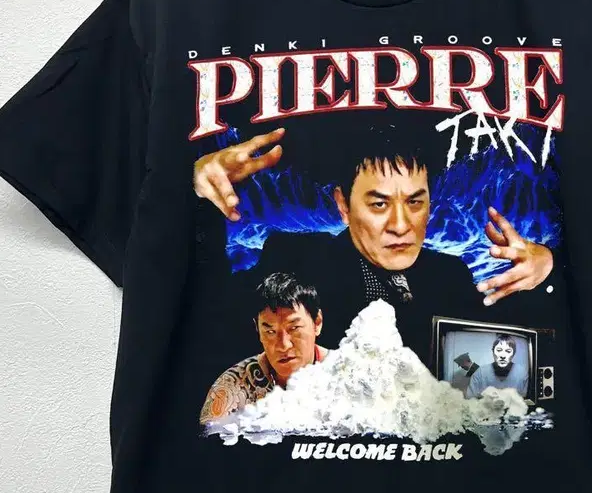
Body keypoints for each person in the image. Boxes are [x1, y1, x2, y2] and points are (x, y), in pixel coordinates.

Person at [193, 126, 554, 365]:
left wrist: (548, 266)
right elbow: (211, 314)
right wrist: (196, 193)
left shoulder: (449, 275)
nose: (401, 225)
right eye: (379, 204)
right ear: (343, 206)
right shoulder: (291, 260)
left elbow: (508, 355)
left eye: (415, 202)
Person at [200, 271, 328, 424]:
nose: (283, 346)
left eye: (294, 328)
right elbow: (206, 438)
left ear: (317, 322)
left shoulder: (347, 377)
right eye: (270, 332)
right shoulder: (232, 388)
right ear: (258, 329)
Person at [465, 334, 529, 399]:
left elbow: (526, 400)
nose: (503, 356)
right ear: (493, 352)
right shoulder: (480, 372)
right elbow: (469, 399)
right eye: (499, 350)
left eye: (508, 351)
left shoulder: (522, 373)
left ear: (513, 354)